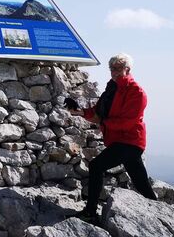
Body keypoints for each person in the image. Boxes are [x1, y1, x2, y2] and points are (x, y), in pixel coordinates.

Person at [66, 53, 157, 222]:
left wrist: (103, 122)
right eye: (111, 68)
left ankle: (90, 212)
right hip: (120, 141)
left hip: (130, 141)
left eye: (118, 68)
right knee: (141, 182)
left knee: (96, 166)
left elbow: (128, 122)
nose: (113, 71)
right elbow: (98, 112)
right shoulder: (111, 89)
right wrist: (79, 111)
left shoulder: (137, 92)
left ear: (127, 69)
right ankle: (159, 211)